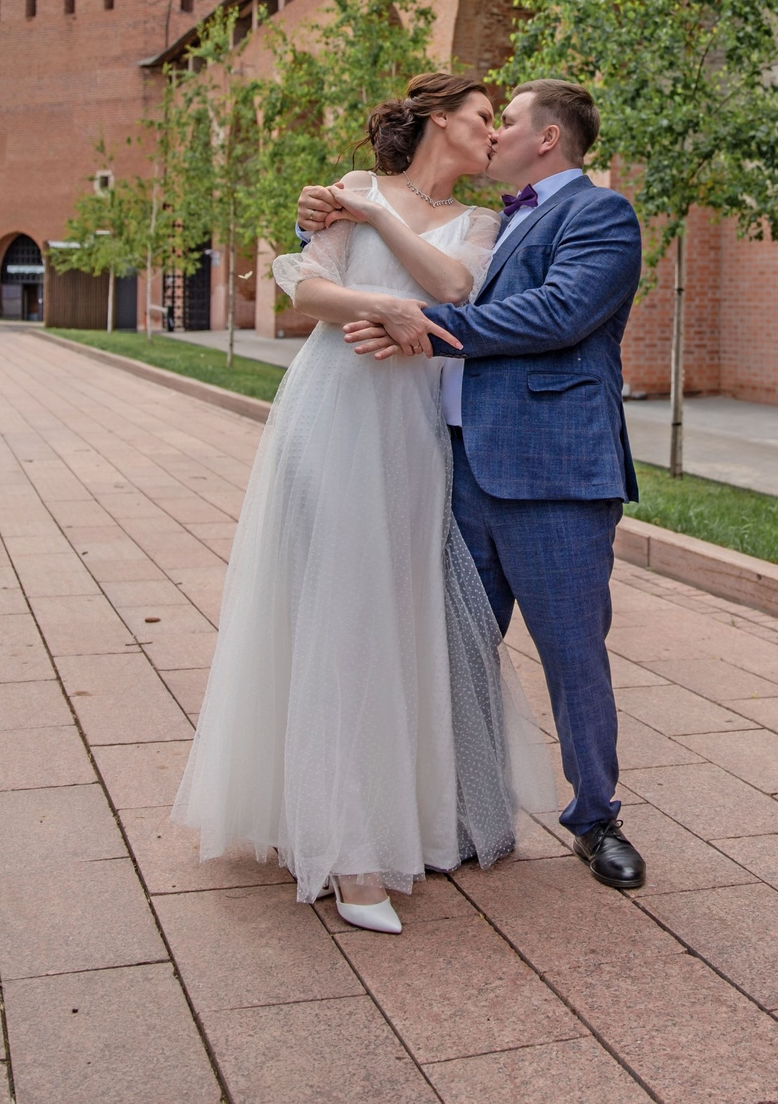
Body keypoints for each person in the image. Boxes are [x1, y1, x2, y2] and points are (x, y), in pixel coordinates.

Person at [171, 73, 556, 936]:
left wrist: (382, 227)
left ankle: (394, 815)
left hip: (408, 435)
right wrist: (379, 297)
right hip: (330, 413)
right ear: (438, 120)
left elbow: (454, 289)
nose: (494, 132)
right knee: (336, 620)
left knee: (393, 616)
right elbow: (307, 294)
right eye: (483, 116)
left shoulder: (478, 222)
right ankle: (346, 853)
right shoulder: (344, 190)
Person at [304, 78, 649, 893]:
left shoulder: (600, 215)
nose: (494, 137)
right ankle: (459, 811)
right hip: (458, 464)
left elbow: (559, 313)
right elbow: (409, 241)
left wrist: (425, 327)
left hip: (555, 471)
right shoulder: (499, 220)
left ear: (550, 139)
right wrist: (329, 210)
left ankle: (596, 818)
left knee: (571, 655)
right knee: (453, 651)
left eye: (511, 122)